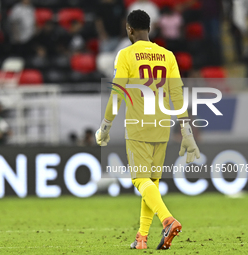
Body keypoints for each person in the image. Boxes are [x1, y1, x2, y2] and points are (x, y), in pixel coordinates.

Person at [95, 10, 200, 250]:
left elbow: (117, 93)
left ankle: (167, 220)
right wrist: (187, 131)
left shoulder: (126, 55)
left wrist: (105, 126)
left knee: (141, 179)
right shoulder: (168, 55)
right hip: (162, 126)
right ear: (149, 28)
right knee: (151, 181)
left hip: (138, 126)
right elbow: (177, 95)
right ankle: (141, 238)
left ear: (129, 29)